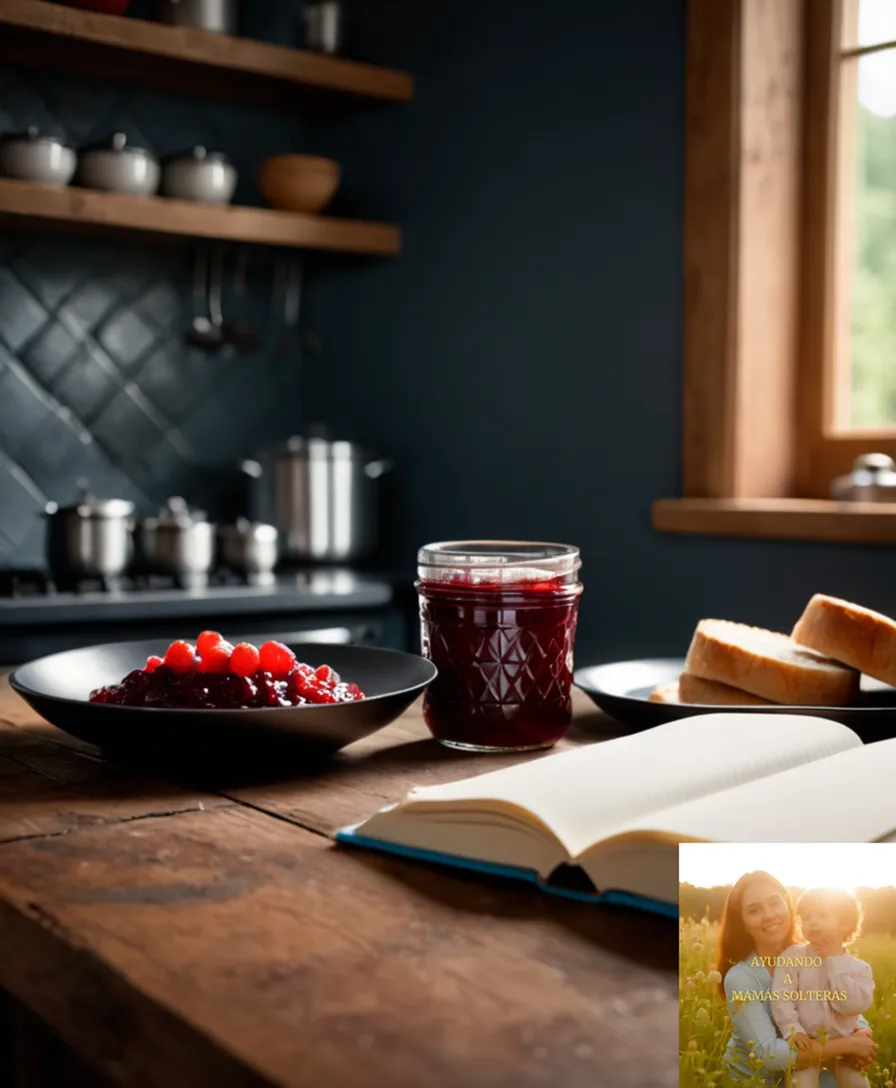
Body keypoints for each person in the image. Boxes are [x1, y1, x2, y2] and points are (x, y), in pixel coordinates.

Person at [716, 871, 878, 1085]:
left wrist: (862, 1032)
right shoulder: (741, 978)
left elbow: (837, 1003)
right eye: (754, 910)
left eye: (775, 903)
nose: (769, 915)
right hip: (758, 1079)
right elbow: (768, 1055)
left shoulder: (815, 953)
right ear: (743, 924)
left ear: (788, 906)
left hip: (810, 1063)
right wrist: (849, 1045)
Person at [770, 886, 874, 1088]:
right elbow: (781, 997)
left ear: (846, 923)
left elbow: (851, 1006)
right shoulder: (793, 957)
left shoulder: (859, 969)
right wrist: (793, 1031)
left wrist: (833, 962)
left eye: (823, 915)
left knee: (858, 1084)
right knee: (801, 1084)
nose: (813, 922)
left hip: (844, 1048)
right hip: (807, 1044)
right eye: (807, 917)